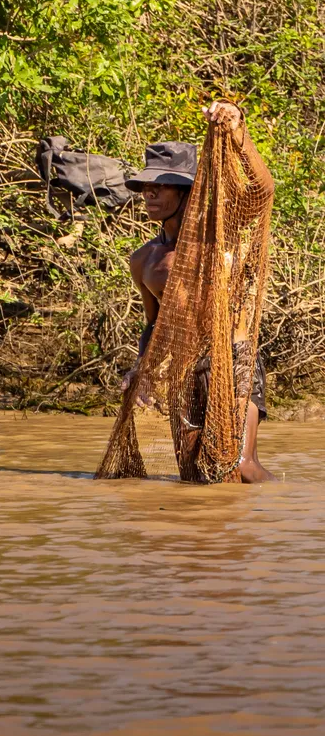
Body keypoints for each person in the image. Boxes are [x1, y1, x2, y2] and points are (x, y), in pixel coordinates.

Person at [121, 100, 275, 484]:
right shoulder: (144, 259)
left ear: (186, 192)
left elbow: (260, 191)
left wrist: (237, 130)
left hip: (234, 360)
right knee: (194, 476)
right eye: (146, 187)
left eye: (161, 187)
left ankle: (289, 510)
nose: (150, 195)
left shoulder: (219, 240)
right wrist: (142, 368)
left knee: (240, 467)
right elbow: (153, 325)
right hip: (185, 369)